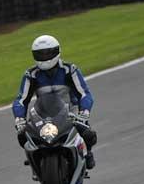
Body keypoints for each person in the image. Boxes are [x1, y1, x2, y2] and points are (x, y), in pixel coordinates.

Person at [12, 35, 97, 169]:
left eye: (48, 53)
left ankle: (87, 153)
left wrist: (84, 113)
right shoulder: (31, 75)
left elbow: (85, 94)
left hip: (70, 111)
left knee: (88, 134)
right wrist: (19, 119)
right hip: (44, 113)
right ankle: (35, 161)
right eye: (40, 54)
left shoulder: (70, 70)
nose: (45, 57)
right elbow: (21, 100)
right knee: (22, 135)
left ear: (57, 51)